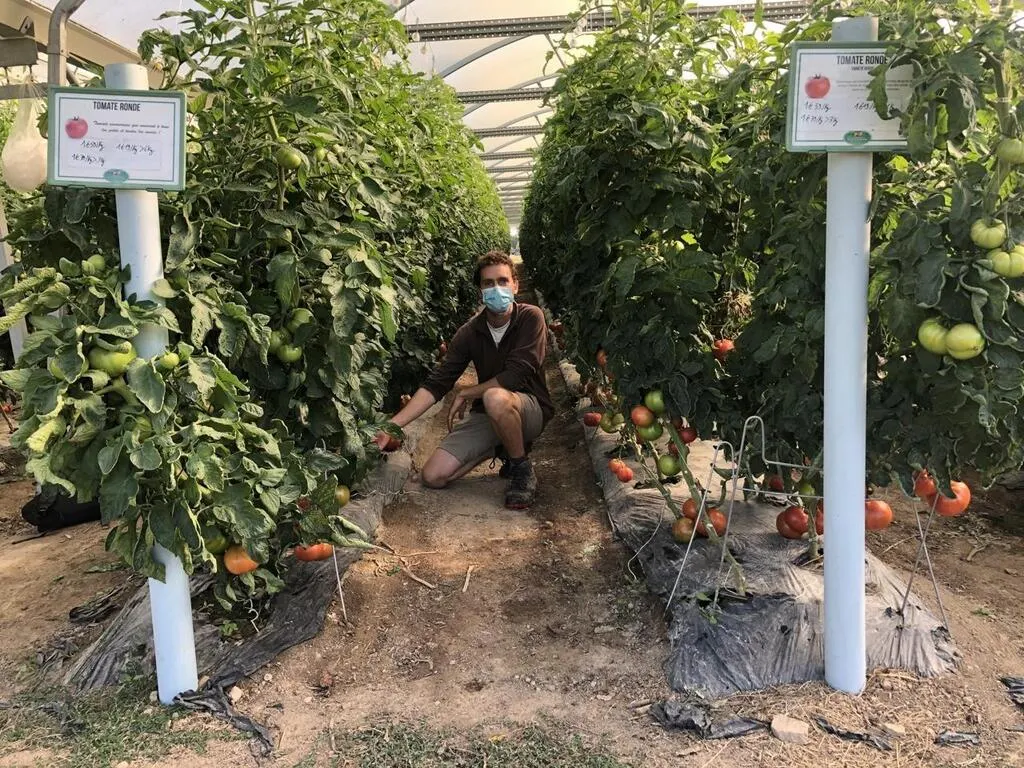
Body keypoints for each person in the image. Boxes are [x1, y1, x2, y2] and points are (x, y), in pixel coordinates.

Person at [374, 250, 554, 509]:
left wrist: (467, 392)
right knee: (433, 476)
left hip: (530, 410)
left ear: (515, 284)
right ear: (480, 290)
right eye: (488, 283)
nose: (496, 288)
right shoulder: (470, 332)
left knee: (494, 397)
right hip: (490, 413)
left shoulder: (531, 317)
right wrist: (392, 426)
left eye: (502, 281)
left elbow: (517, 375)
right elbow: (437, 383)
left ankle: (521, 469)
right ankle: (502, 446)